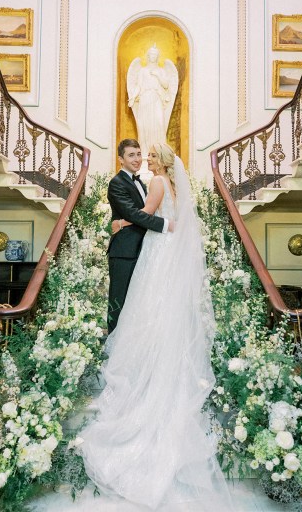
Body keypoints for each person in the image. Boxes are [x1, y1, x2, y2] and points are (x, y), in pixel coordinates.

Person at [80, 143, 234, 511]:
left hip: (155, 249)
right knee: (154, 308)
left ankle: (138, 365)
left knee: (146, 308)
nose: (144, 160)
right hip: (160, 247)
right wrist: (125, 220)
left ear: (160, 161)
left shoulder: (157, 182)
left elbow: (143, 213)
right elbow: (150, 214)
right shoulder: (167, 183)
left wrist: (121, 221)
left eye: (148, 156)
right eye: (138, 156)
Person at [106, 138, 171, 333]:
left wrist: (121, 223)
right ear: (121, 159)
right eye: (131, 155)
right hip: (124, 251)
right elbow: (134, 214)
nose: (137, 159)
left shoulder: (141, 183)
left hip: (144, 248)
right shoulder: (117, 183)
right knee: (119, 300)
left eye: (138, 154)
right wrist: (167, 225)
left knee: (136, 302)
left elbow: (141, 213)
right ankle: (112, 344)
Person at [127, 45, 178, 156]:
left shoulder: (161, 70)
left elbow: (166, 85)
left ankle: (159, 153)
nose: (153, 57)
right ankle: (145, 153)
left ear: (157, 56)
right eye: (151, 54)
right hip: (145, 99)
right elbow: (139, 86)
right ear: (148, 56)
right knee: (144, 127)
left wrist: (158, 76)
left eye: (155, 55)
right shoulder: (142, 71)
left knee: (159, 123)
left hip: (156, 99)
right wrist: (132, 98)